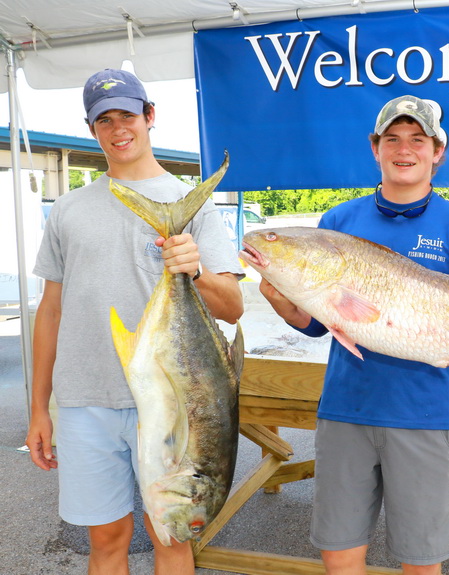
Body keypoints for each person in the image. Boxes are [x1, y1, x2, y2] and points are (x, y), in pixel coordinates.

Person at [259, 94, 449, 574]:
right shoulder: (337, 224)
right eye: (392, 138)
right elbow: (317, 324)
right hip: (345, 410)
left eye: (417, 139)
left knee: (422, 561)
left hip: (425, 415)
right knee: (339, 555)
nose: (404, 149)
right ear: (375, 148)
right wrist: (281, 300)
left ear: (437, 152)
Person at [25, 68, 244, 575]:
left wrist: (196, 270)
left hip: (175, 404)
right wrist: (38, 408)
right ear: (92, 129)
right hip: (86, 399)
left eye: (127, 115)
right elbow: (51, 310)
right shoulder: (68, 210)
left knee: (171, 533)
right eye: (104, 120)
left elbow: (232, 307)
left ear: (149, 117)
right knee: (106, 539)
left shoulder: (194, 205)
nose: (117, 128)